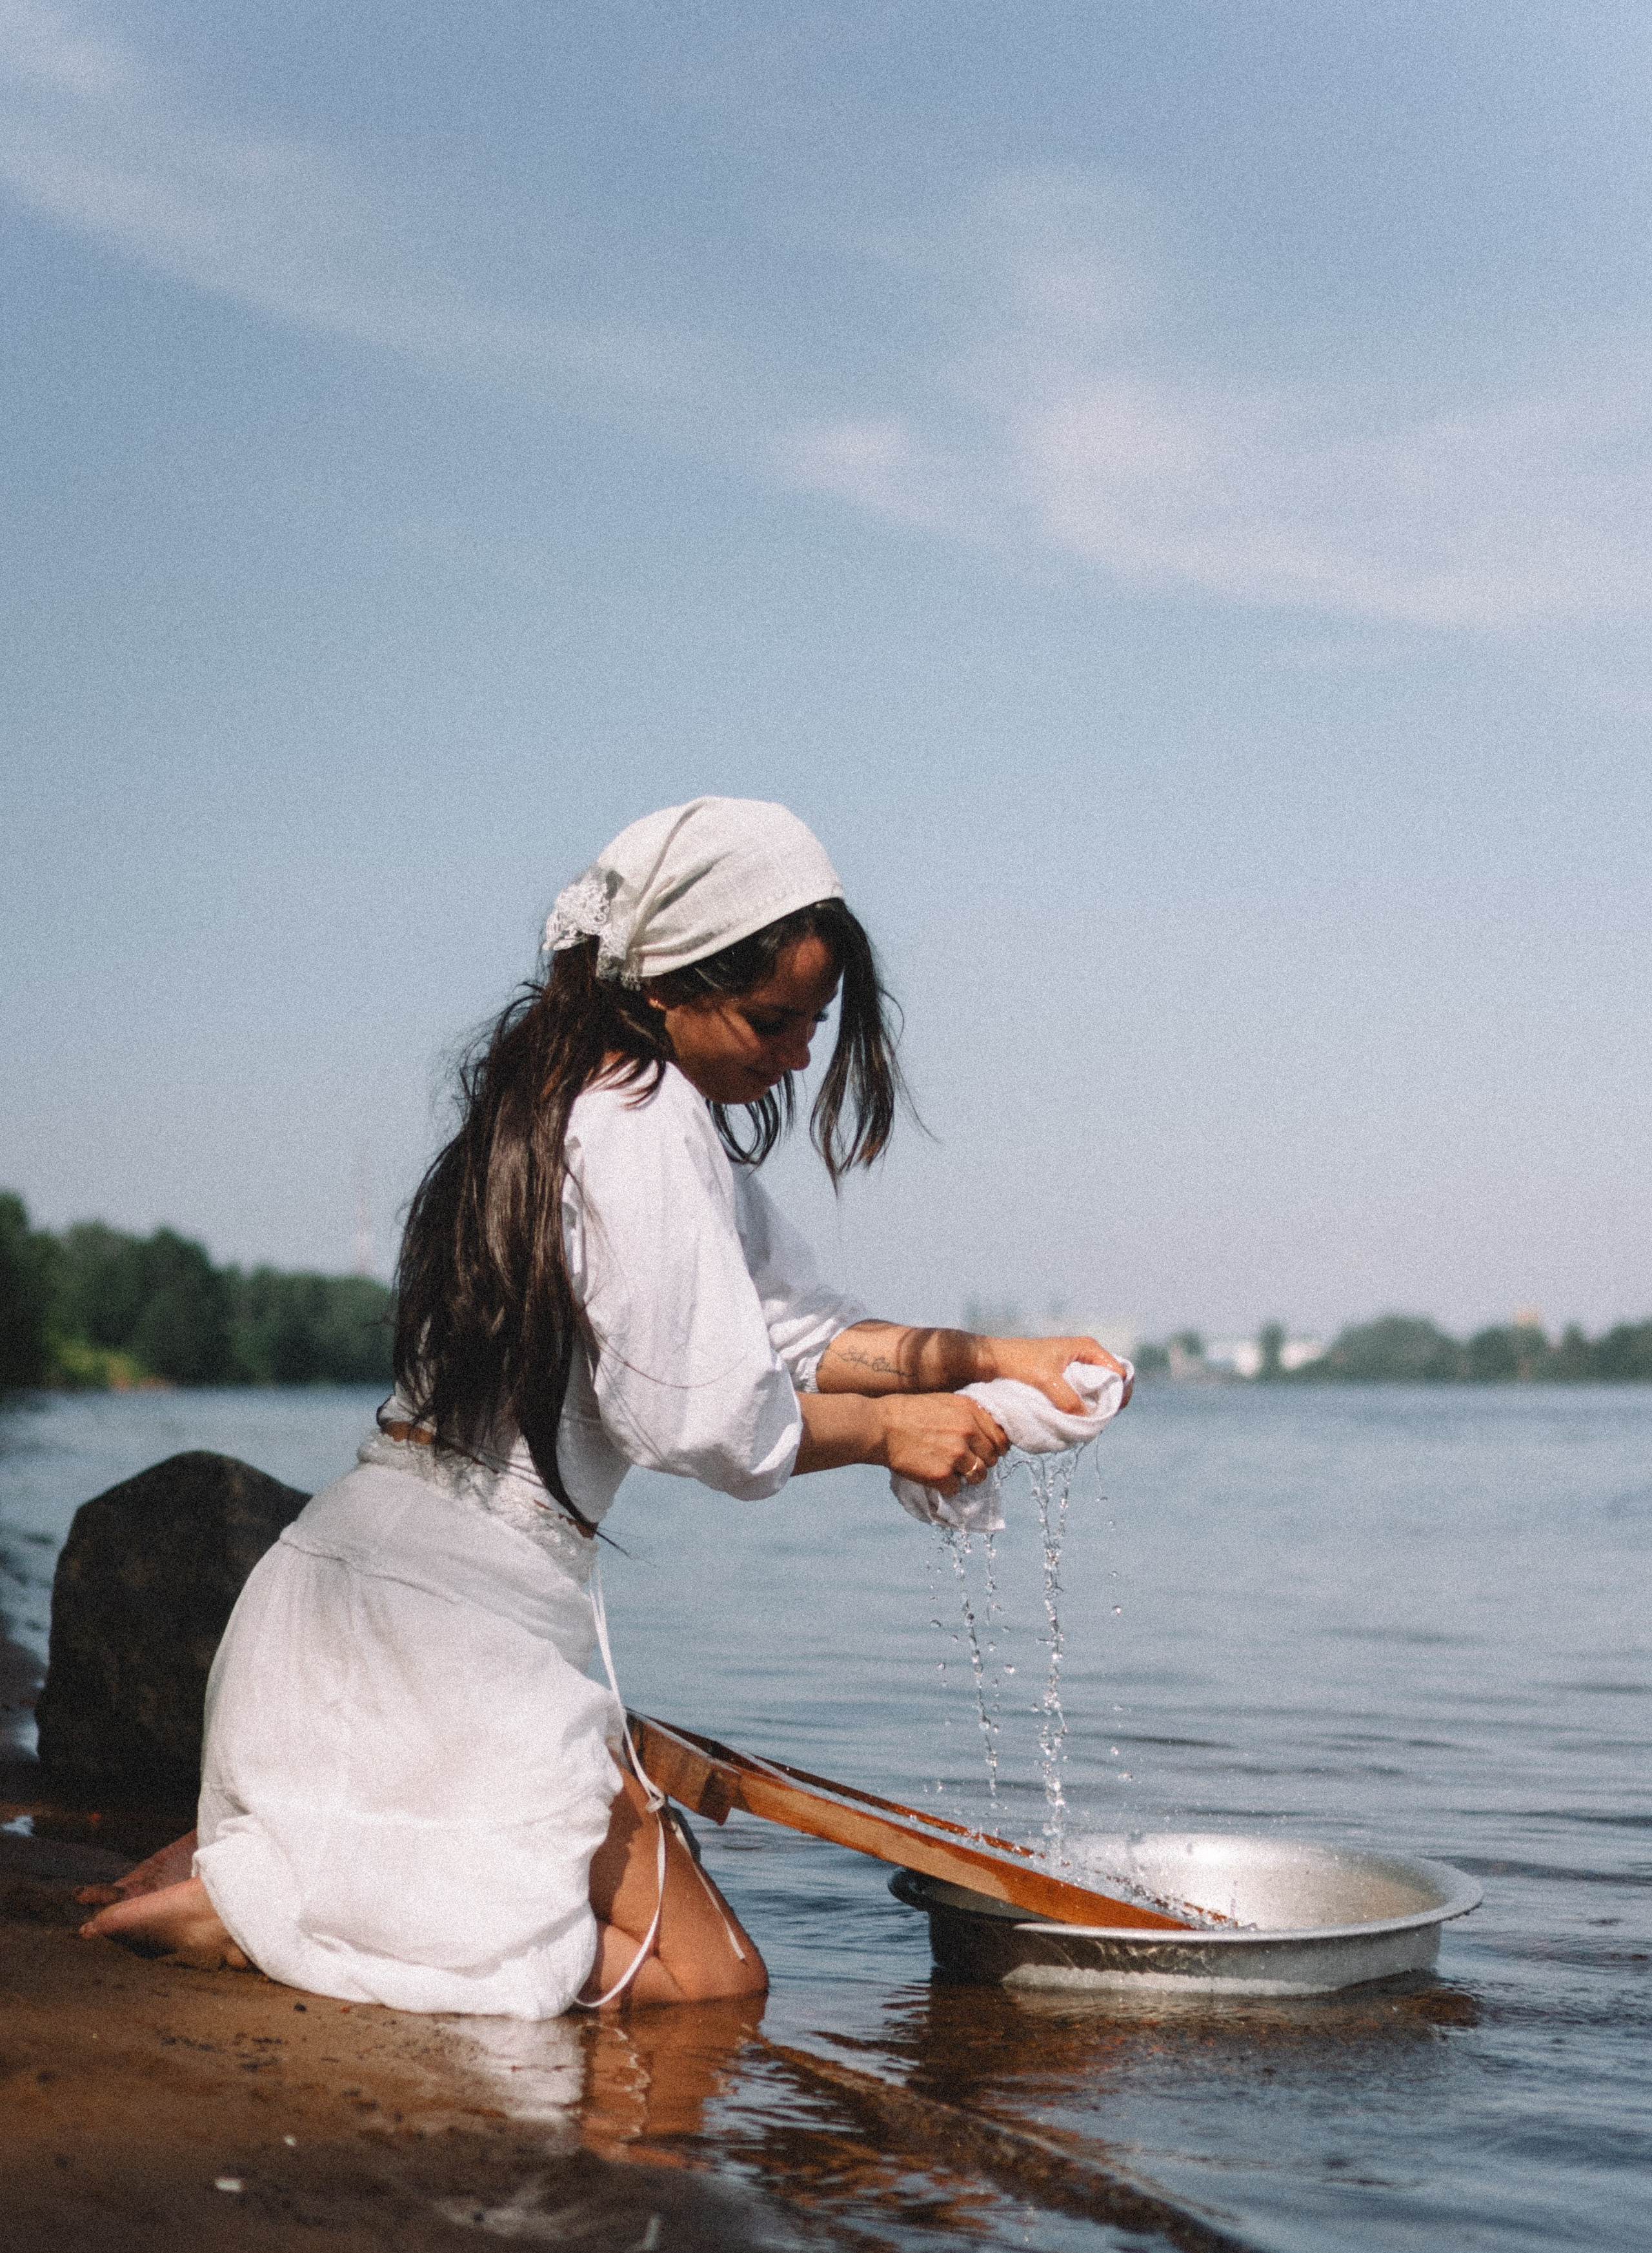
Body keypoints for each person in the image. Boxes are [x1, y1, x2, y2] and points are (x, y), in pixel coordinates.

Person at [82, 798, 1129, 2013]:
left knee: (638, 1951)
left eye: (812, 1026)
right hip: (453, 1643)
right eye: (771, 1021)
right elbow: (702, 1416)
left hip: (344, 1599)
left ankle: (281, 1872)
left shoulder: (582, 1097)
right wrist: (897, 1432)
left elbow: (805, 1332)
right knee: (709, 1985)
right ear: (667, 986)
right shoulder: (644, 1119)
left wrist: (1001, 1354)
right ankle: (258, 1909)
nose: (795, 1056)